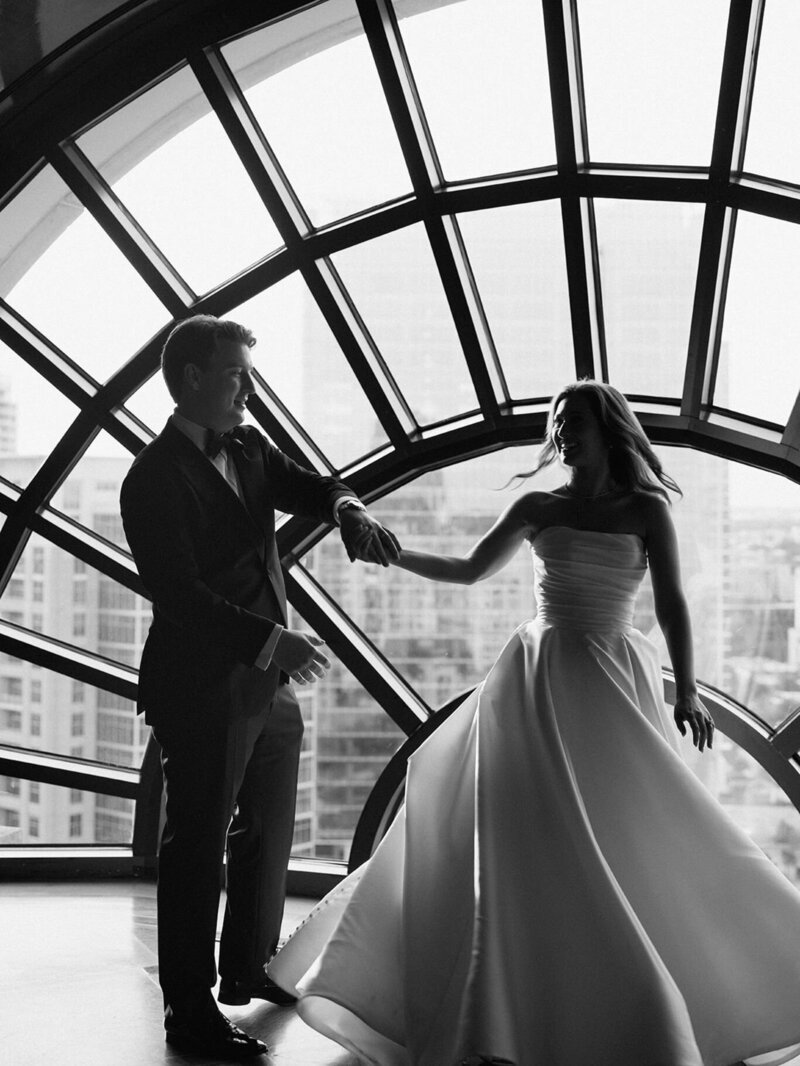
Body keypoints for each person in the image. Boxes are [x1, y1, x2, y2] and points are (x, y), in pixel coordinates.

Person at [268, 380, 800, 1066]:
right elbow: (467, 570)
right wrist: (394, 554)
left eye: (574, 422)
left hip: (614, 675)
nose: (562, 433)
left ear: (608, 429)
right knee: (528, 834)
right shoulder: (537, 505)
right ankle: (521, 1001)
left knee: (631, 827)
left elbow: (671, 603)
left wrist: (689, 690)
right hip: (538, 678)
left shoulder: (647, 509)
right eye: (557, 423)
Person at [120, 314, 399, 1060]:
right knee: (196, 846)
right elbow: (177, 592)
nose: (250, 388)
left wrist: (346, 508)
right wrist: (270, 640)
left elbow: (310, 486)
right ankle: (189, 1010)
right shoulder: (150, 478)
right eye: (239, 374)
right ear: (193, 379)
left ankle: (250, 966)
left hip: (266, 683)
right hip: (201, 683)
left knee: (269, 830)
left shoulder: (246, 445)